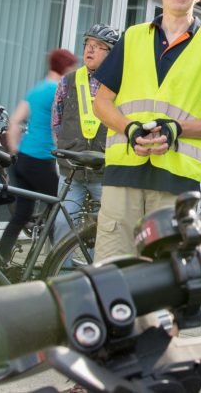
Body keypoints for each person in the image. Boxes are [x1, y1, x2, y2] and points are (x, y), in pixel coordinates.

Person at [92, 0, 201, 261]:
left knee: (163, 279)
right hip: (124, 175)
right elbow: (102, 102)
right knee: (112, 272)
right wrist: (129, 128)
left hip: (176, 185)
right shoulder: (132, 37)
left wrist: (178, 128)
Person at [0, 48, 78, 262]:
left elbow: (14, 122)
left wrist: (15, 151)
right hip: (43, 160)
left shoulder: (37, 89)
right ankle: (57, 262)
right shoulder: (59, 90)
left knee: (21, 215)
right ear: (66, 68)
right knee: (56, 210)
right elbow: (56, 129)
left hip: (23, 159)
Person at [50, 24, 120, 245]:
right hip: (73, 170)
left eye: (98, 47)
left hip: (106, 171)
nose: (90, 50)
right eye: (88, 45)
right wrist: (67, 147)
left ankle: (96, 272)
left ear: (112, 54)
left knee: (105, 227)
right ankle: (62, 273)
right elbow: (57, 119)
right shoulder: (68, 80)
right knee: (62, 222)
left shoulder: (122, 83)